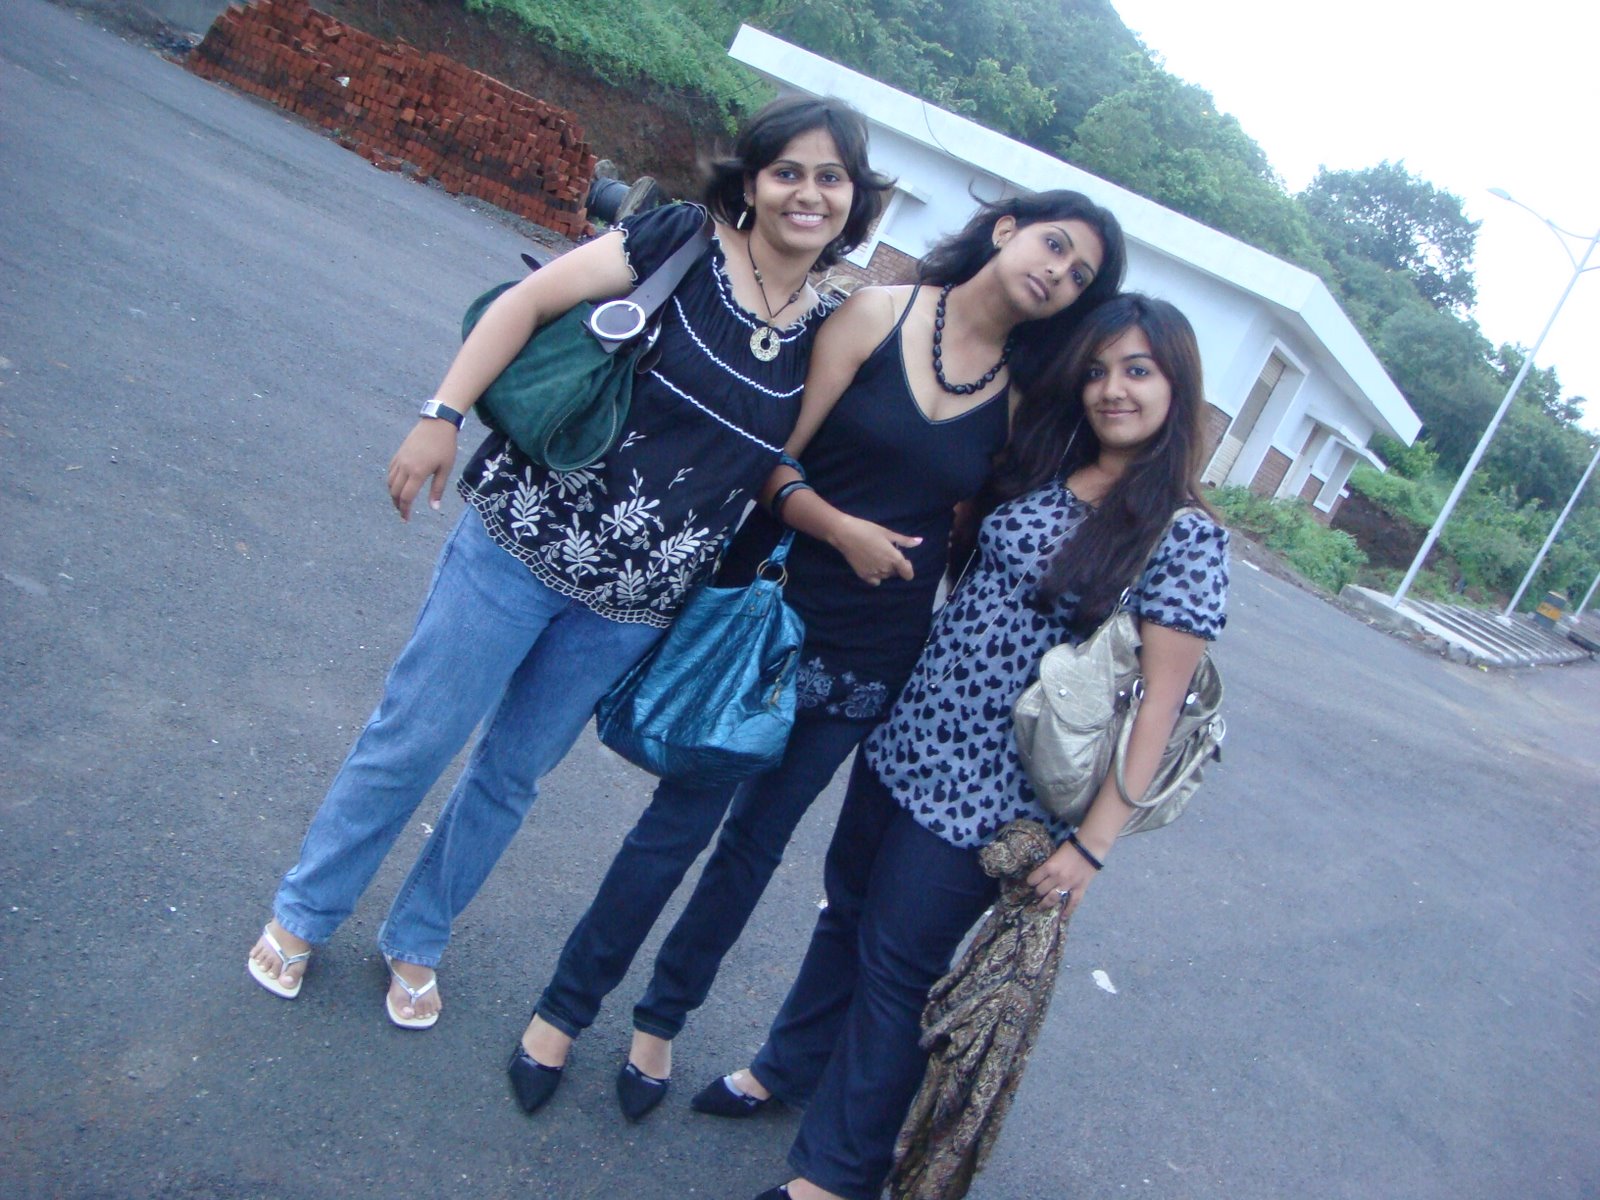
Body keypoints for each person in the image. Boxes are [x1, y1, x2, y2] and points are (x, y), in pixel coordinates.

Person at [244, 95, 892, 1029]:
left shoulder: (820, 331)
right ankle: (306, 911)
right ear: (752, 181)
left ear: (855, 200)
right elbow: (530, 300)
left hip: (631, 607)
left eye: (831, 178)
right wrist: (441, 414)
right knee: (415, 736)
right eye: (788, 171)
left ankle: (419, 936)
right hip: (517, 543)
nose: (809, 193)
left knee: (511, 778)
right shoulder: (680, 240)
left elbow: (771, 468)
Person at [510, 192, 1128, 1118]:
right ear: (1007, 230)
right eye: (1054, 245)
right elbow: (771, 457)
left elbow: (984, 533)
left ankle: (662, 1020)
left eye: (1078, 276)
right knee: (679, 824)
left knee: (755, 848)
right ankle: (565, 1006)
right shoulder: (876, 315)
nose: (1057, 273)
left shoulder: (1019, 401)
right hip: (767, 612)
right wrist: (840, 530)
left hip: (874, 652)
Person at [709, 294, 1232, 1200]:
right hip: (908, 737)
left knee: (898, 965)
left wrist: (1092, 847)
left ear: (1177, 387)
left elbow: (1159, 705)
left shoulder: (1184, 534)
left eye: (1138, 371)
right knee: (846, 915)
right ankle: (785, 1067)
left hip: (994, 793)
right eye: (1099, 371)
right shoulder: (1051, 466)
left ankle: (837, 1172)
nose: (1113, 390)